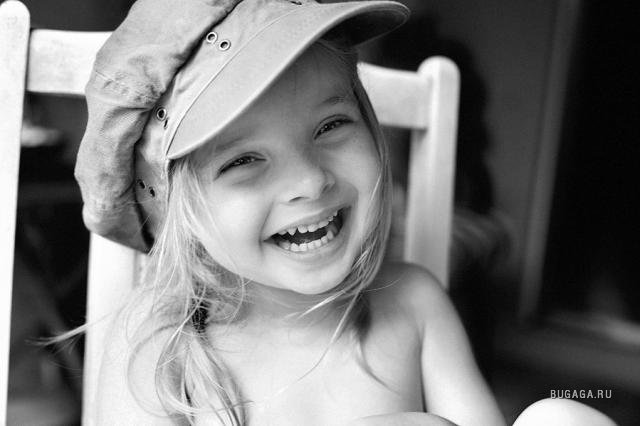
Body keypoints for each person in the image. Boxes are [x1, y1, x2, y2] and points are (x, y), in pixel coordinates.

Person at [74, 0, 617, 425]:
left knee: (562, 417)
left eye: (331, 125)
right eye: (243, 160)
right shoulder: (162, 347)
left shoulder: (414, 306)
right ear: (177, 212)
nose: (310, 181)